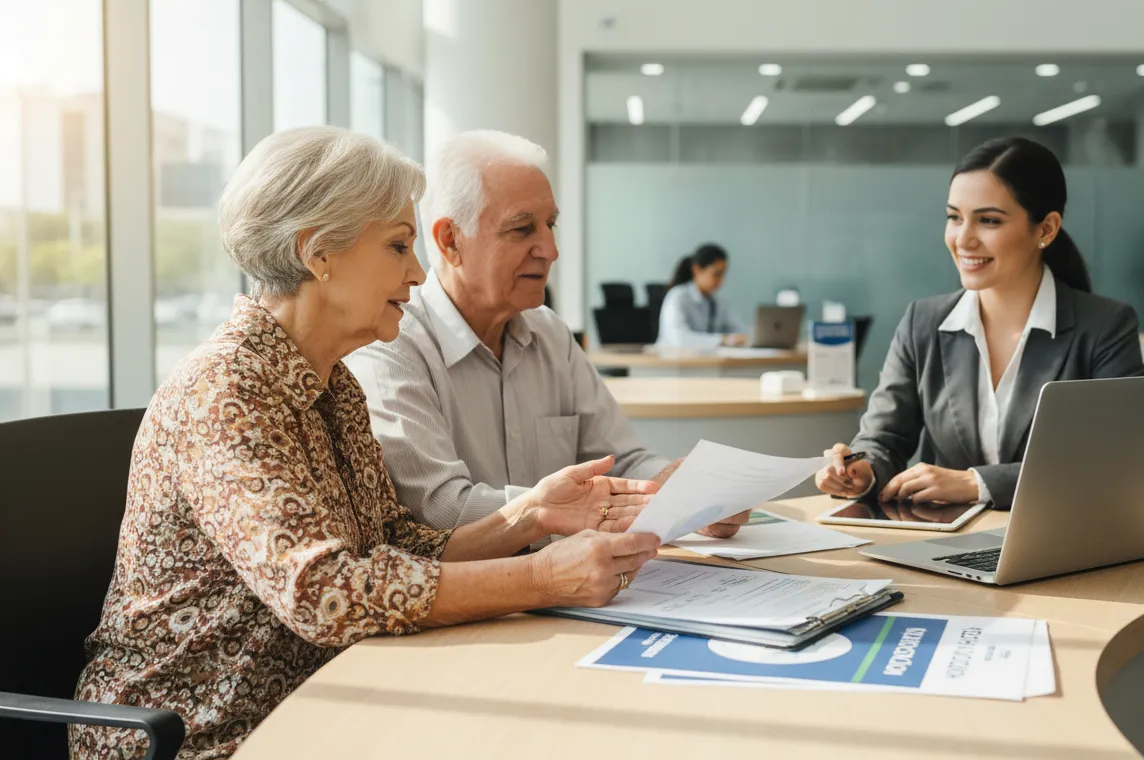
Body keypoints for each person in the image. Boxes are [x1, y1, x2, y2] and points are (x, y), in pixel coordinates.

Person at [72, 127, 661, 760]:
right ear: (318, 253)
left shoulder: (334, 383)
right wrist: (543, 577)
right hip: (205, 734)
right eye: (399, 246)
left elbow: (398, 544)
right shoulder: (224, 390)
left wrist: (531, 514)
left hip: (324, 702)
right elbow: (323, 593)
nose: (418, 271)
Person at [345, 131, 748, 539]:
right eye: (522, 229)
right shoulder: (392, 345)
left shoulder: (550, 332)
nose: (551, 250)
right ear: (450, 241)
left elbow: (622, 461)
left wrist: (673, 487)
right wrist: (564, 512)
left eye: (550, 224)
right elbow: (438, 511)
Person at [816, 136, 1144, 513]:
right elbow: (883, 438)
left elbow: (1114, 459)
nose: (963, 239)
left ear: (1046, 229)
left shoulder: (1105, 327)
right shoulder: (922, 322)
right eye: (954, 217)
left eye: (988, 220)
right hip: (944, 539)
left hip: (1058, 536)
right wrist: (861, 471)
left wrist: (978, 484)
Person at [656, 243, 750, 350]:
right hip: (671, 359)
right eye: (716, 274)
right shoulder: (678, 297)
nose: (721, 281)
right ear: (697, 270)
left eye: (723, 275)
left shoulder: (719, 302)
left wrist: (748, 336)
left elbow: (741, 331)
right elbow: (679, 339)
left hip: (704, 359)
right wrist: (724, 340)